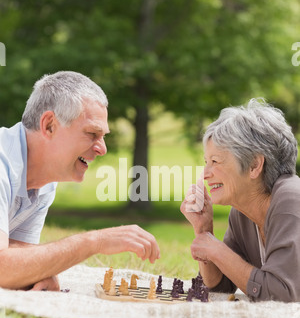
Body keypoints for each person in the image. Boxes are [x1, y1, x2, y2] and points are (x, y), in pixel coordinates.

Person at [0, 71, 160, 291]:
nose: (102, 149)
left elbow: (19, 257)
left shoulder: (44, 182)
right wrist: (95, 242)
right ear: (49, 126)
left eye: (103, 136)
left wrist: (39, 272)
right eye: (91, 133)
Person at [181, 98, 300, 302]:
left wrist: (217, 251)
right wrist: (203, 230)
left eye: (215, 161)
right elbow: (221, 285)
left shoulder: (291, 200)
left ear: (254, 165)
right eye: (206, 162)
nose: (206, 173)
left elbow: (282, 295)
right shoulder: (242, 211)